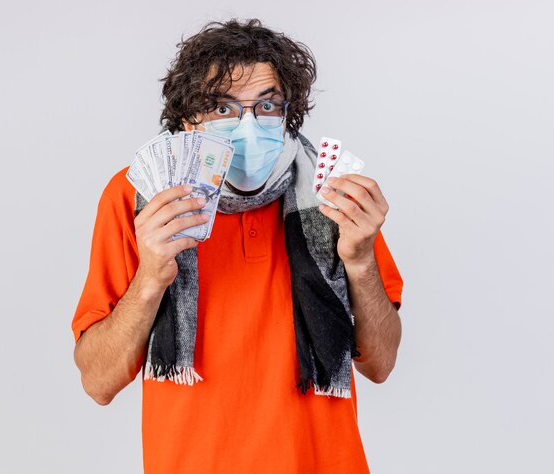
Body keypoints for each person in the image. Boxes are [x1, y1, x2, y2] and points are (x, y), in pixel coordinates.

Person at [72, 18, 403, 473]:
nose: (249, 124)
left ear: (289, 112)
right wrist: (150, 278)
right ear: (189, 118)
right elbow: (98, 382)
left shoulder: (332, 197)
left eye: (267, 105)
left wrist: (361, 262)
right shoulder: (136, 198)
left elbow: (380, 363)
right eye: (223, 108)